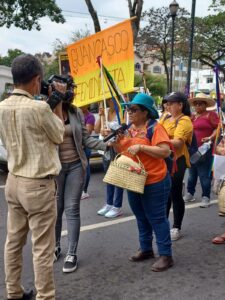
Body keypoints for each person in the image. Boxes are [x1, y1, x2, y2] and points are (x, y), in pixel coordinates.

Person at [0, 54, 65, 300]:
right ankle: (45, 296)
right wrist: (56, 104)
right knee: (42, 248)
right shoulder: (39, 108)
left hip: (13, 180)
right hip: (38, 184)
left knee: (14, 242)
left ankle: (14, 292)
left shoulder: (2, 107)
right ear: (37, 80)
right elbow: (59, 135)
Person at [114, 93, 173, 272]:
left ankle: (166, 255)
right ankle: (146, 249)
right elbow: (123, 151)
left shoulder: (155, 128)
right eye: (128, 109)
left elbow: (165, 152)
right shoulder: (128, 129)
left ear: (146, 112)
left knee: (156, 218)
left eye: (134, 109)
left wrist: (142, 146)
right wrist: (116, 142)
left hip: (155, 179)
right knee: (141, 216)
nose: (129, 112)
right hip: (133, 178)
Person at [54, 92, 108, 273]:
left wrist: (106, 144)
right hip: (54, 169)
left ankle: (71, 253)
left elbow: (85, 138)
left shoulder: (75, 112)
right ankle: (55, 246)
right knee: (56, 208)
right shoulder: (45, 111)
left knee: (72, 208)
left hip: (76, 166)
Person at [160, 92, 193, 241]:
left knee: (175, 193)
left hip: (177, 160)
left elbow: (179, 142)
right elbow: (155, 132)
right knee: (164, 193)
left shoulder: (185, 120)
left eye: (171, 103)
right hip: (164, 158)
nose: (167, 106)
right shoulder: (165, 117)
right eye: (166, 103)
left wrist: (159, 141)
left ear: (180, 105)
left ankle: (176, 227)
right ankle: (163, 224)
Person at [183, 93, 219, 208]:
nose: (197, 106)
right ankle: (190, 193)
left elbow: (218, 128)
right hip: (192, 149)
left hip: (205, 149)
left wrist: (210, 137)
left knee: (204, 174)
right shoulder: (192, 116)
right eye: (196, 104)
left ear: (205, 105)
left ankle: (206, 197)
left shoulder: (211, 115)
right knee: (192, 174)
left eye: (200, 104)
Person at [95, 99, 124, 218]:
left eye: (111, 99)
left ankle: (117, 206)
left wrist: (111, 131)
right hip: (106, 148)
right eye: (107, 100)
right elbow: (97, 130)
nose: (109, 101)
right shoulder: (105, 111)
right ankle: (109, 203)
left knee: (118, 177)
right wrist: (100, 116)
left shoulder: (123, 111)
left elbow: (123, 130)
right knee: (108, 177)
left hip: (118, 147)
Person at [80, 105, 95, 200]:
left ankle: (84, 190)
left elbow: (88, 132)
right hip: (78, 146)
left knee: (85, 167)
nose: (81, 106)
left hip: (85, 146)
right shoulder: (77, 115)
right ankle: (80, 189)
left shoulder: (90, 116)